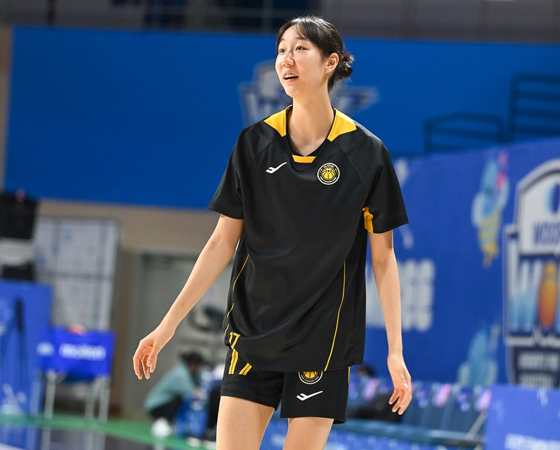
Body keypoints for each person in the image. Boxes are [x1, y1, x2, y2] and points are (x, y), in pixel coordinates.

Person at [133, 15, 412, 450]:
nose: (286, 59)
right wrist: (168, 325)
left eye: (300, 48)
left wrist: (395, 351)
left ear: (330, 62)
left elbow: (383, 257)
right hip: (254, 333)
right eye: (282, 49)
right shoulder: (253, 143)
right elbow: (221, 242)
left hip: (323, 340)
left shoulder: (367, 154)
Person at [144, 351, 205, 438]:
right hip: (155, 406)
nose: (199, 368)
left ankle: (166, 423)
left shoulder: (192, 373)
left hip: (162, 403)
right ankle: (162, 422)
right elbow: (192, 393)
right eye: (198, 365)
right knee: (181, 400)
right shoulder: (181, 374)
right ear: (192, 364)